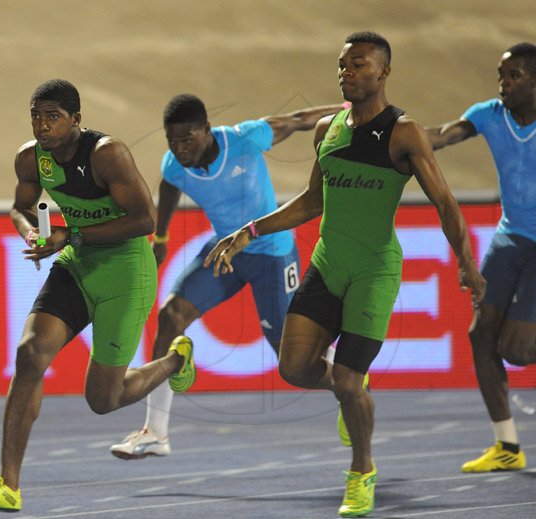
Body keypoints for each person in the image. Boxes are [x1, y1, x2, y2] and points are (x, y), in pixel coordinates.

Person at [205, 32, 485, 517]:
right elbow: (313, 202)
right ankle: (350, 389)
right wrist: (249, 230)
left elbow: (445, 203)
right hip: (327, 265)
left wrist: (465, 262)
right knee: (293, 368)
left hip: (373, 271)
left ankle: (361, 472)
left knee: (350, 382)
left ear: (384, 72)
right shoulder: (327, 130)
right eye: (342, 65)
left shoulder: (404, 132)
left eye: (358, 65)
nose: (346, 72)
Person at [0, 79, 196, 514]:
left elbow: (144, 219)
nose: (42, 125)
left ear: (76, 120)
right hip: (77, 265)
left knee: (103, 401)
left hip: (125, 275)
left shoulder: (108, 154)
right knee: (30, 355)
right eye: (36, 115)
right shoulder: (31, 157)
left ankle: (176, 360)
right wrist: (31, 230)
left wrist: (72, 235)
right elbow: (20, 207)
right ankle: (8, 486)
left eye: (52, 116)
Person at [110, 94, 344, 460]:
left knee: (291, 360)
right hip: (226, 251)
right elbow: (169, 186)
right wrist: (162, 236)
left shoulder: (245, 139)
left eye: (187, 139)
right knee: (171, 316)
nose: (180, 148)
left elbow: (297, 119)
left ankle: (346, 381)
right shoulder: (175, 163)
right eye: (172, 141)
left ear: (207, 130)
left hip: (272, 253)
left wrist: (347, 112)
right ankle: (155, 433)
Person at [426, 42, 536, 473]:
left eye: (514, 77)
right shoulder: (487, 115)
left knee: (518, 349)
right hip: (511, 237)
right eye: (501, 76)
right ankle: (507, 447)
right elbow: (440, 136)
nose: (503, 85)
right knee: (480, 335)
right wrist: (390, 135)